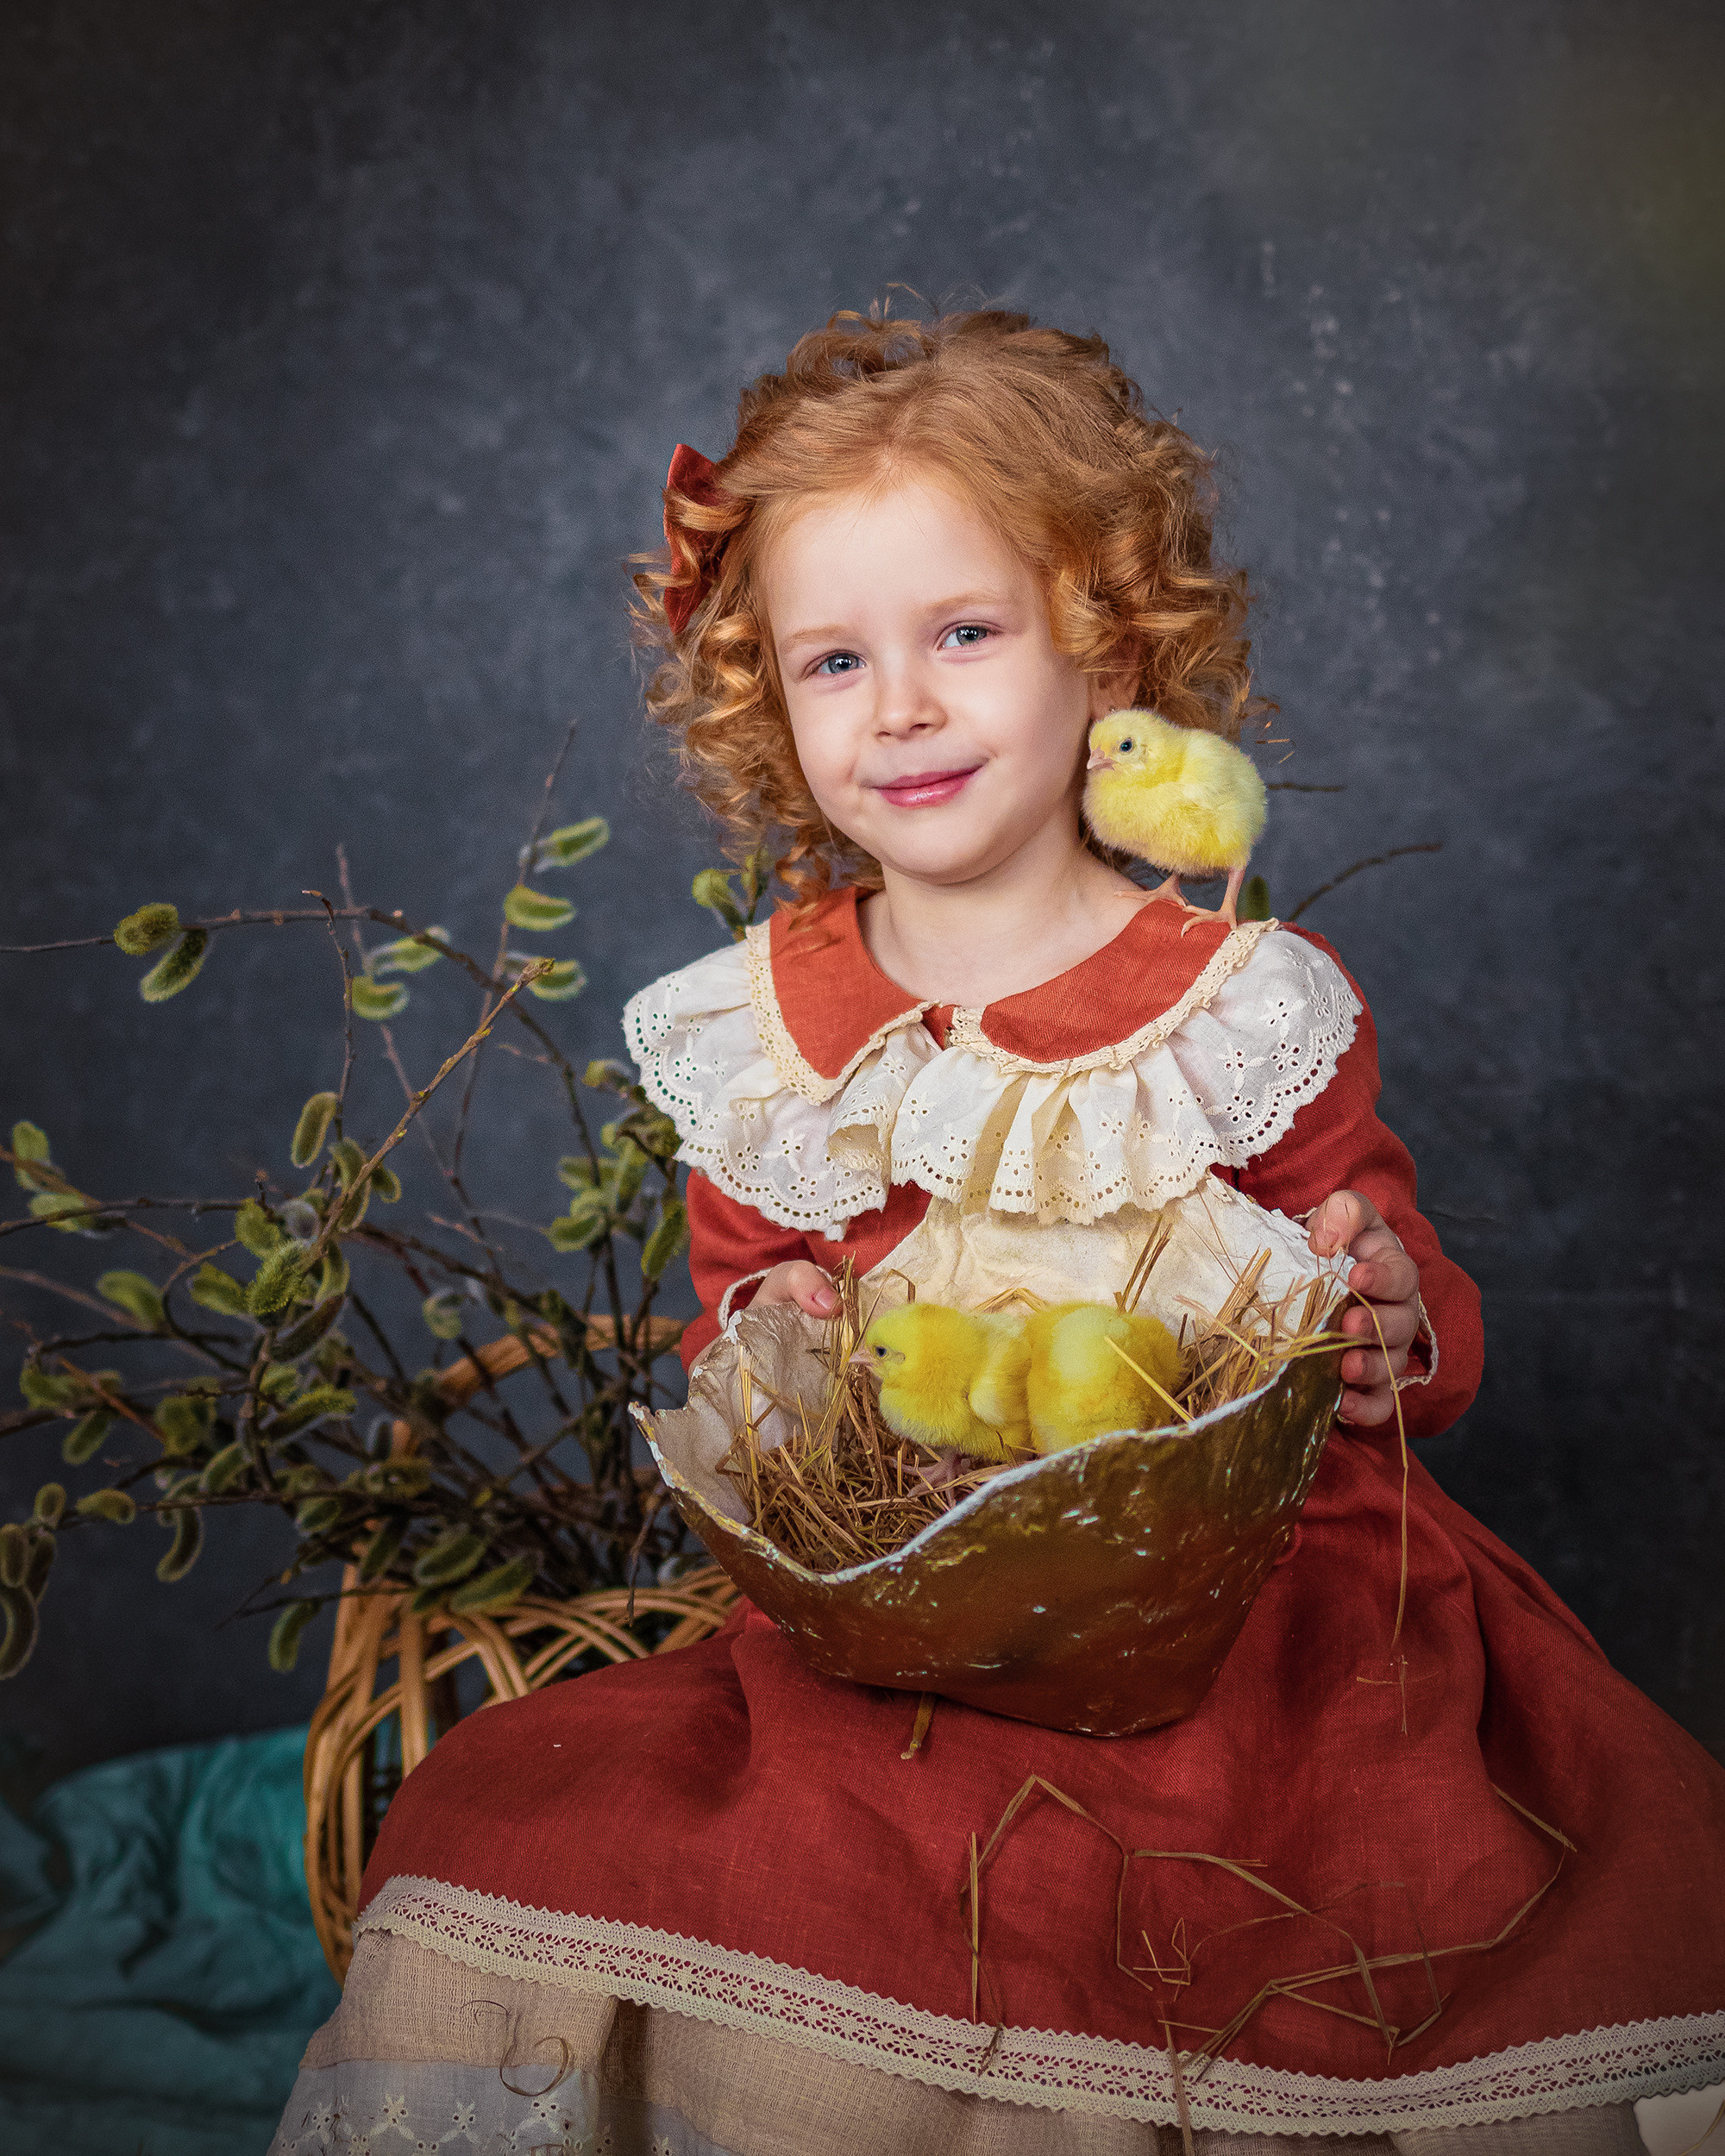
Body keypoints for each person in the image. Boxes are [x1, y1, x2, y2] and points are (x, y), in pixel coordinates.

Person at [271, 310, 1725, 2156]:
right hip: (916, 1616)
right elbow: (737, 1345)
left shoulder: (1240, 1002)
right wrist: (784, 1355)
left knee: (1315, 1898)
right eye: (834, 659)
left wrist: (1383, 1318)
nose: (898, 704)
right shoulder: (765, 1035)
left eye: (963, 633)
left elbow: (1409, 1304)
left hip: (1255, 1617)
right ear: (770, 703)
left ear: (1103, 642)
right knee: (545, 1810)